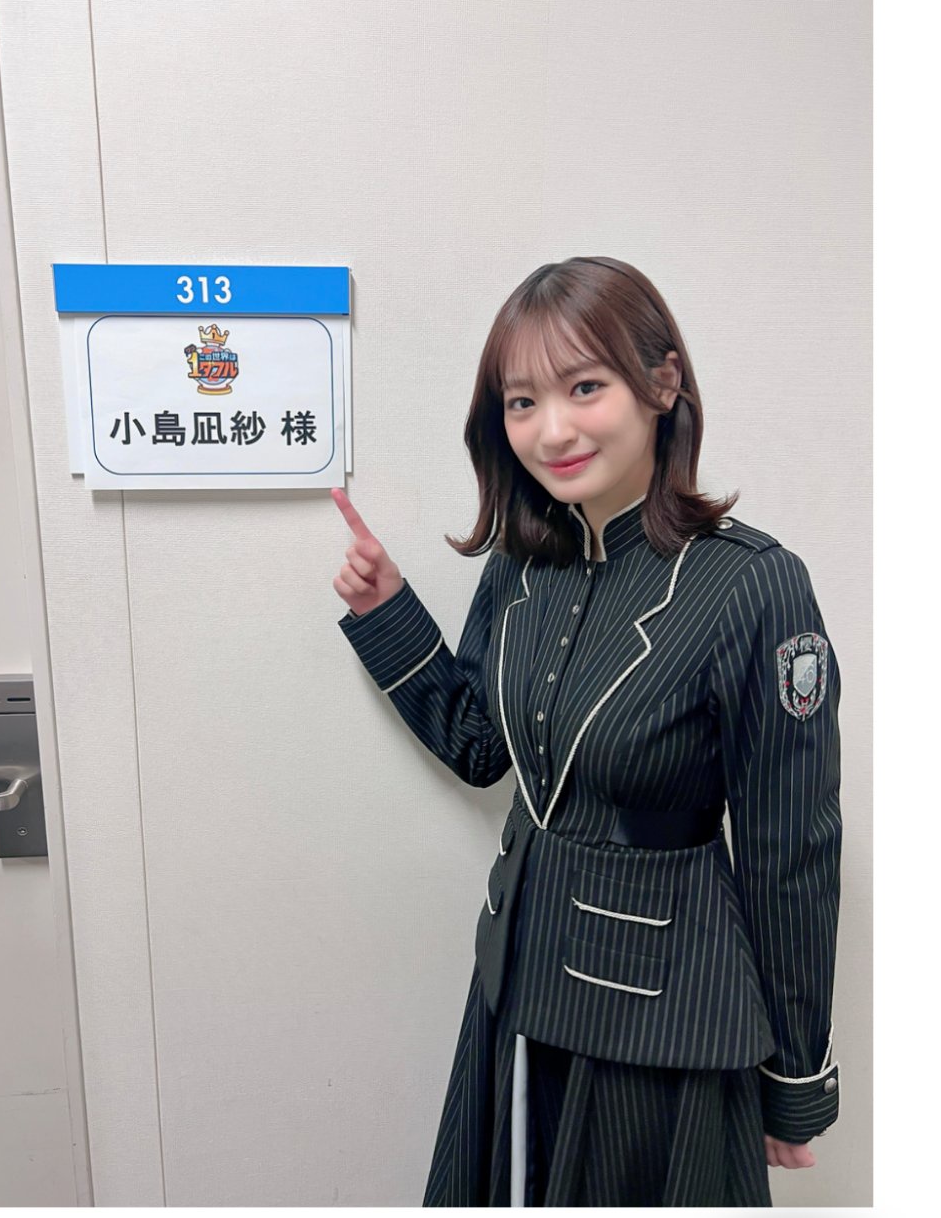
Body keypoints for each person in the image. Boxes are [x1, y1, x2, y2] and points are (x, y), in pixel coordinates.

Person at [331, 256, 841, 1207]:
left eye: (584, 387)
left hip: (661, 1026)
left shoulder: (754, 583)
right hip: (517, 989)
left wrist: (796, 1079)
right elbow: (482, 745)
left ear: (662, 382)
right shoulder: (524, 565)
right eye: (522, 402)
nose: (552, 430)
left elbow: (790, 851)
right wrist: (389, 611)